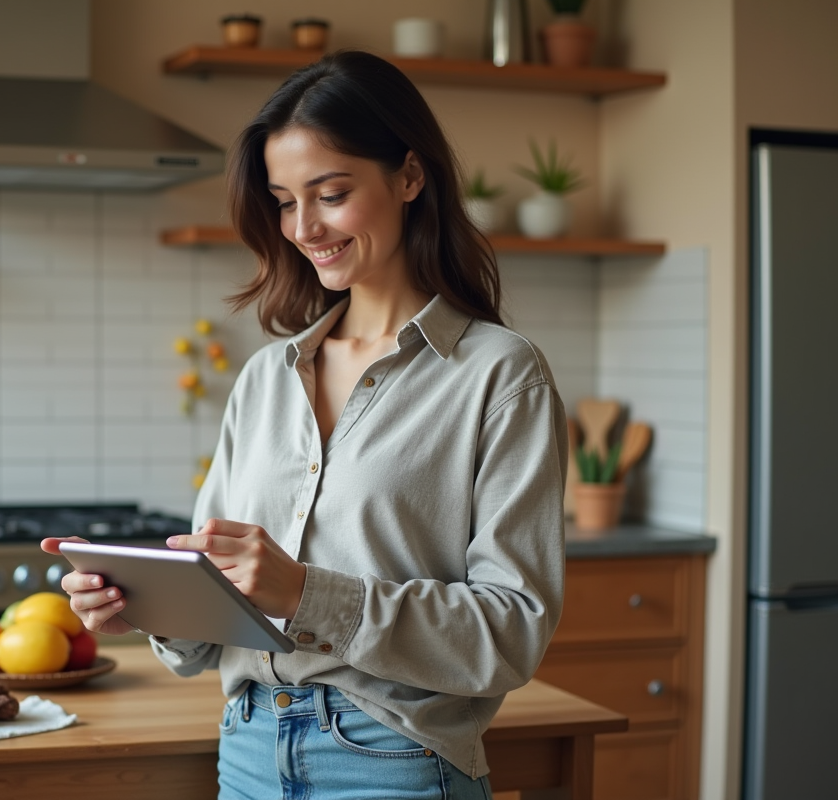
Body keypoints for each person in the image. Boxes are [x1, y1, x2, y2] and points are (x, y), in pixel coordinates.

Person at [41, 50, 568, 800]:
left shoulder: (498, 374)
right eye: (286, 201)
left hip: (393, 757)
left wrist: (305, 592)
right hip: (249, 747)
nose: (305, 226)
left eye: (331, 193)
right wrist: (142, 607)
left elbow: (511, 634)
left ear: (411, 177)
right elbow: (214, 619)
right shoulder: (266, 378)